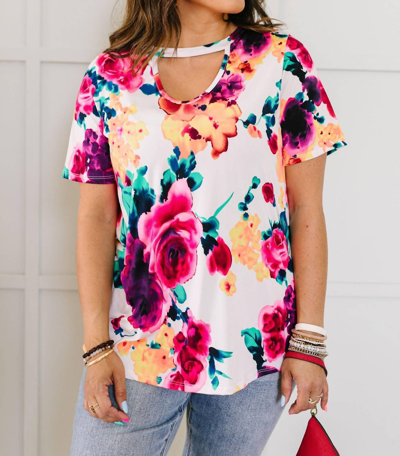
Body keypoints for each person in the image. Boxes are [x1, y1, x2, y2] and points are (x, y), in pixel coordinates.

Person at [63, 1, 348, 455]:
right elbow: (95, 216)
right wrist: (96, 346)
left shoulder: (282, 64)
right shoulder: (109, 77)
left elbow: (306, 209)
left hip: (255, 350)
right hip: (136, 345)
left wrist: (309, 340)